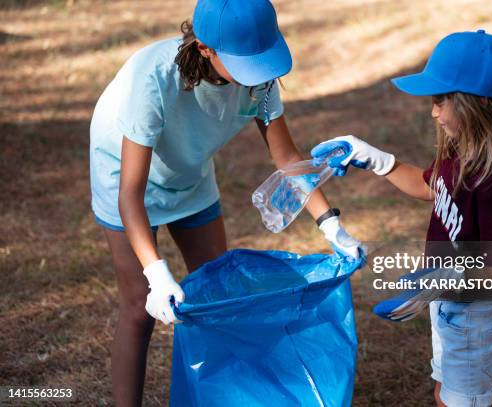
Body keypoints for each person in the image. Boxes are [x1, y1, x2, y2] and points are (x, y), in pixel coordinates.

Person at [89, 0, 361, 405]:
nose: (258, 74)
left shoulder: (260, 82)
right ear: (204, 49)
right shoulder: (153, 80)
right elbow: (131, 192)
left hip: (191, 174)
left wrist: (331, 225)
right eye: (246, 62)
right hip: (125, 177)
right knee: (138, 306)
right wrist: (157, 272)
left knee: (220, 294)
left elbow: (287, 158)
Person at [312, 30, 492, 407]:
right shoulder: (459, 153)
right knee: (445, 390)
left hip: (478, 317)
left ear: (475, 104)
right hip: (450, 302)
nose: (433, 111)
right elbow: (427, 186)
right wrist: (378, 160)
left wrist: (449, 279)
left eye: (440, 100)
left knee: (461, 401)